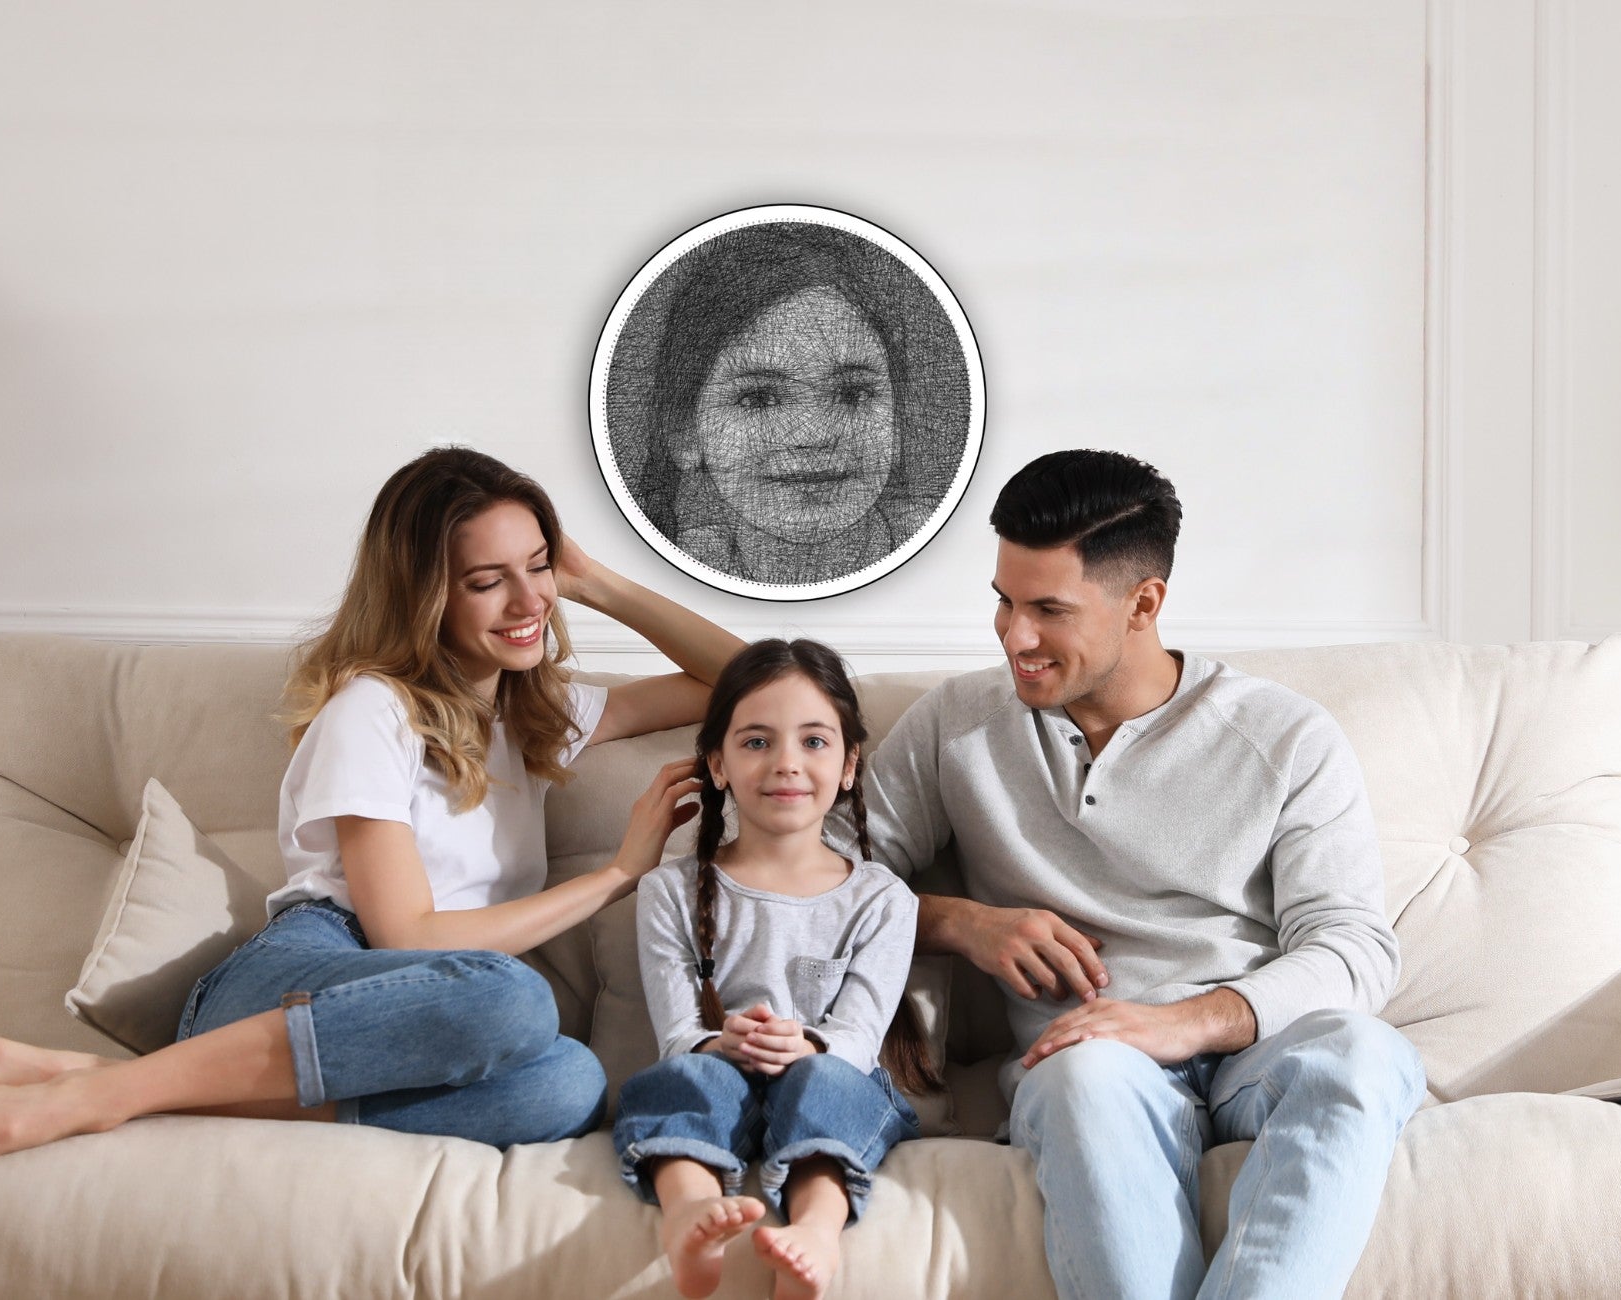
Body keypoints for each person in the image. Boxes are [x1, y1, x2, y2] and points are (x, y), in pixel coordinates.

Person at [0, 447, 744, 1182]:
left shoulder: (534, 712)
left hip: (394, 1023)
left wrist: (596, 585)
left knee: (570, 1085)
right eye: (488, 581)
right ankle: (84, 1104)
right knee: (515, 1001)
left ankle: (122, 1081)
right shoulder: (374, 710)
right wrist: (617, 876)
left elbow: (748, 678)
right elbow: (406, 934)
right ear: (427, 595)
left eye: (537, 567)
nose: (527, 604)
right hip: (298, 979)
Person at [862, 450, 1425, 1299]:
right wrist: (958, 922)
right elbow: (822, 877)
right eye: (1004, 601)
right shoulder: (958, 725)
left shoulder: (1285, 737)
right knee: (1084, 1076)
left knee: (1365, 1058)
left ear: (1144, 604)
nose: (1015, 635)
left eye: (1049, 609)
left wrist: (1189, 1023)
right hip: (1088, 1060)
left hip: (1252, 1049)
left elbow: (1355, 950)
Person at [610, 639, 937, 1300]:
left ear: (849, 766)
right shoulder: (667, 891)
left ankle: (815, 1231)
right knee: (679, 1077)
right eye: (756, 742)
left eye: (813, 743)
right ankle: (690, 1213)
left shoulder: (882, 900)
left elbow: (858, 1036)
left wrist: (804, 1044)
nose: (786, 763)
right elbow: (677, 1033)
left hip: (829, 1078)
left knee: (827, 1078)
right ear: (718, 765)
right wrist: (719, 1042)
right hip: (718, 1077)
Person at [625, 222, 958, 586]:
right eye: (759, 399)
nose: (812, 436)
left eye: (853, 394)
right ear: (684, 434)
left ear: (899, 422)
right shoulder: (675, 568)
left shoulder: (948, 563)